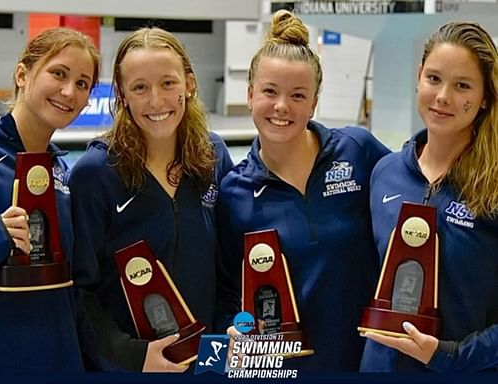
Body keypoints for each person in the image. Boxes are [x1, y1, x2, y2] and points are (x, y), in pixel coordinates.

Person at [216, 10, 390, 372]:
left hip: (370, 361)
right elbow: (230, 293)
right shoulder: (234, 193)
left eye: (298, 95)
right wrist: (236, 333)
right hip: (286, 369)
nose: (282, 106)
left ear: (313, 103)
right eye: (269, 91)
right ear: (249, 95)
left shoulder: (358, 151)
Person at [69, 27, 235, 372]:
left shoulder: (212, 156)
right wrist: (131, 355)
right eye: (140, 87)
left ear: (189, 84)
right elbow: (80, 292)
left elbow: (229, 270)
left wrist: (229, 331)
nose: (156, 101)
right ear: (122, 94)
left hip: (207, 363)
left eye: (168, 83)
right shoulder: (95, 174)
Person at [361, 21, 498, 372]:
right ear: (419, 75)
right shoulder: (385, 174)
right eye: (434, 79)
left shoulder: (493, 185)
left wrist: (448, 355)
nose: (443, 97)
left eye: (462, 85)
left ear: (485, 98)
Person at [0, 27, 99, 372]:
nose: (69, 91)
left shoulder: (62, 173)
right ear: (23, 74)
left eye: (83, 83)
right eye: (58, 73)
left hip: (60, 357)